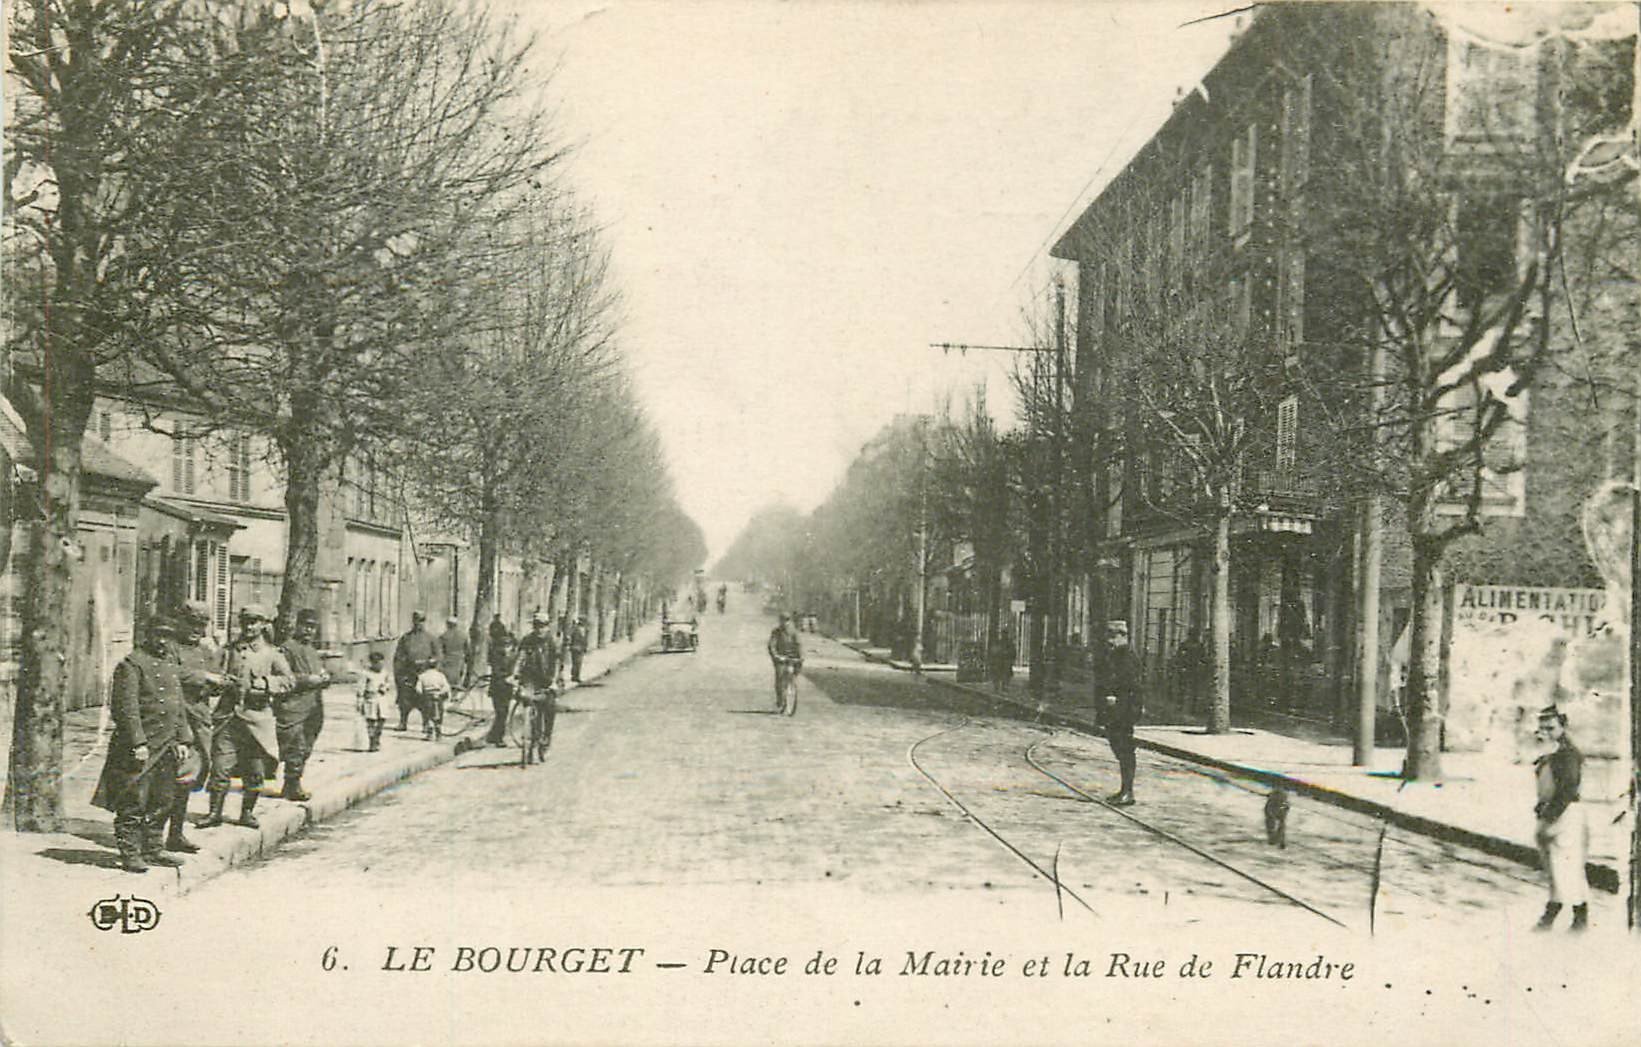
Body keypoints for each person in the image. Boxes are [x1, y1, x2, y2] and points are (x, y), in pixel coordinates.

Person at [91, 616, 189, 873]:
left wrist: (182, 738)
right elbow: (126, 708)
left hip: (167, 744)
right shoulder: (132, 664)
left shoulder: (170, 664)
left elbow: (178, 706)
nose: (163, 641)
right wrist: (138, 742)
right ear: (148, 634)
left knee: (164, 798)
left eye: (168, 636)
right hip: (140, 747)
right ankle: (130, 852)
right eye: (158, 634)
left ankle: (153, 848)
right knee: (133, 800)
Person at [202, 606, 290, 829]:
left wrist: (268, 683)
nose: (249, 627)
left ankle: (247, 813)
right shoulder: (228, 650)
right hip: (228, 718)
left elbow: (290, 680)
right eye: (245, 622)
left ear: (263, 624)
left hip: (257, 721)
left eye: (254, 622)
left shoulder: (272, 654)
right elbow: (211, 675)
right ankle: (214, 813)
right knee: (221, 768)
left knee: (255, 771)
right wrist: (219, 682)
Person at [158, 600, 226, 853]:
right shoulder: (170, 647)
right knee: (170, 779)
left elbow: (215, 675)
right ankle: (154, 836)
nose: (197, 630)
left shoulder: (205, 651)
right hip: (176, 720)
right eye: (192, 624)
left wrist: (217, 683)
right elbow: (167, 672)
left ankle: (175, 834)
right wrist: (203, 677)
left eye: (202, 625)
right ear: (181, 622)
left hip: (199, 719)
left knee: (188, 779)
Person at [1532, 706, 1589, 931]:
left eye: (1551, 727)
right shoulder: (1553, 751)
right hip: (1553, 812)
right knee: (1556, 867)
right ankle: (1556, 913)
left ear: (1562, 727)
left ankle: (1575, 916)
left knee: (1567, 865)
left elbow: (1567, 790)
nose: (1546, 731)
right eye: (1542, 727)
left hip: (1565, 815)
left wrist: (1549, 817)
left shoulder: (1567, 754)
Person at [276, 608, 330, 801]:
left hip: (314, 707)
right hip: (293, 706)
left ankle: (292, 782)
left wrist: (325, 677)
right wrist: (308, 680)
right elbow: (281, 677)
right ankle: (292, 784)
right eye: (305, 626)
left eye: (312, 627)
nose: (308, 631)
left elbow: (319, 675)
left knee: (307, 746)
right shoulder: (287, 648)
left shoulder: (312, 651)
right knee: (296, 746)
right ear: (297, 626)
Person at [1097, 620, 1142, 806]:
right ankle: (1124, 790)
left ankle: (1128, 792)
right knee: (1119, 748)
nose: (1110, 640)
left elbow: (1131, 684)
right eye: (1109, 636)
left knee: (1124, 749)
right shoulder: (1116, 654)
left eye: (1113, 636)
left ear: (1122, 636)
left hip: (1124, 709)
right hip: (1116, 709)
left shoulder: (1128, 655)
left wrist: (1116, 696)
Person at [511, 610, 561, 754]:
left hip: (548, 679)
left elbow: (557, 662)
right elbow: (520, 657)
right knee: (529, 702)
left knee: (550, 707)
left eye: (542, 626)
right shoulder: (528, 640)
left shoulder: (552, 642)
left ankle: (546, 737)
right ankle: (531, 736)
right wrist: (514, 674)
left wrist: (554, 681)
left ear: (547, 627)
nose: (539, 629)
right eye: (537, 626)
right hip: (530, 679)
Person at [393, 610, 438, 733]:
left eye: (422, 621)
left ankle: (425, 724)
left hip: (424, 674)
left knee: (424, 701)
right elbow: (398, 656)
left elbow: (438, 656)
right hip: (408, 674)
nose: (419, 623)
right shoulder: (406, 638)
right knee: (405, 700)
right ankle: (403, 722)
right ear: (413, 621)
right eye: (417, 620)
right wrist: (400, 673)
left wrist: (429, 663)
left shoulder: (431, 639)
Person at [484, 615, 517, 747]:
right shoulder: (497, 657)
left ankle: (494, 736)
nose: (506, 648)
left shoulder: (512, 658)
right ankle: (497, 738)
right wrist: (506, 678)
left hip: (507, 689)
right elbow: (496, 672)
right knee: (501, 712)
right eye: (504, 646)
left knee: (503, 713)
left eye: (508, 646)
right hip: (498, 688)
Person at [767, 613, 804, 713]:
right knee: (780, 677)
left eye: (787, 620)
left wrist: (800, 657)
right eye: (783, 620)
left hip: (793, 657)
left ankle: (793, 686)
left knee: (795, 673)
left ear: (790, 621)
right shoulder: (776, 632)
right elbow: (772, 645)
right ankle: (780, 700)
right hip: (781, 658)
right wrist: (776, 656)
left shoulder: (794, 632)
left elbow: (799, 645)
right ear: (780, 621)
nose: (785, 622)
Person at [356, 650, 393, 752]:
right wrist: (359, 702)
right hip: (370, 699)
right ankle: (372, 742)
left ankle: (377, 739)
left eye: (382, 662)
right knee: (371, 721)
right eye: (377, 663)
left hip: (381, 699)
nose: (380, 665)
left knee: (382, 720)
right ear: (372, 663)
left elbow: (388, 683)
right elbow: (360, 688)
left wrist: (385, 687)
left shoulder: (384, 673)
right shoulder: (366, 673)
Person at [416, 662, 453, 738]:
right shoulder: (440, 675)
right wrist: (440, 693)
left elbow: (418, 689)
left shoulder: (422, 676)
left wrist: (423, 694)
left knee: (428, 715)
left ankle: (430, 734)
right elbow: (446, 687)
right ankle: (438, 733)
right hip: (438, 696)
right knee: (438, 714)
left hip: (427, 696)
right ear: (436, 666)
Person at [436, 615, 471, 692]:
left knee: (447, 682)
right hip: (459, 662)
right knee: (457, 682)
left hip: (447, 662)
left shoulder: (443, 636)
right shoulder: (463, 635)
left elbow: (439, 651)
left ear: (448, 624)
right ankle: (454, 696)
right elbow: (468, 651)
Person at [990, 623, 1015, 693]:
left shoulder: (1009, 643)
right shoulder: (999, 642)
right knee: (998, 674)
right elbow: (994, 651)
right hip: (1000, 660)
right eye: (1003, 633)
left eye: (1005, 633)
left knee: (1005, 674)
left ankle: (1004, 687)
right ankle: (997, 687)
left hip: (1005, 660)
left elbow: (1013, 652)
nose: (1004, 635)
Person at [568, 616, 590, 684]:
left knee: (579, 663)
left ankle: (577, 676)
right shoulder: (575, 628)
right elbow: (570, 637)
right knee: (575, 662)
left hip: (581, 648)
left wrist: (585, 647)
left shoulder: (585, 630)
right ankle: (574, 676)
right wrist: (570, 645)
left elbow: (585, 640)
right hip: (575, 647)